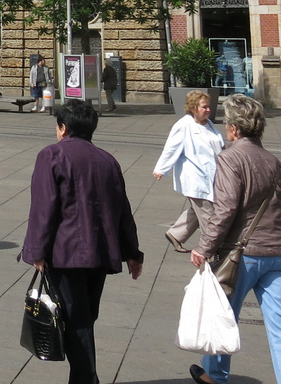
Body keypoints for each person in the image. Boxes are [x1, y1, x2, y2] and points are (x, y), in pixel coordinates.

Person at [189, 95, 281, 384]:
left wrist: (204, 247)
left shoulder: (230, 157)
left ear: (233, 129)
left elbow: (226, 207)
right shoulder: (273, 161)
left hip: (242, 254)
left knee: (223, 313)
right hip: (280, 253)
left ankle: (216, 375)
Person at [21, 99, 144, 384]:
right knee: (85, 318)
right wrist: (132, 253)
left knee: (77, 323)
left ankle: (86, 378)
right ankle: (84, 376)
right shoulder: (107, 160)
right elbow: (122, 209)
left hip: (65, 253)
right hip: (100, 253)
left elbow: (44, 207)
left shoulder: (51, 156)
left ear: (62, 128)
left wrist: (37, 251)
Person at [153, 89, 224, 253]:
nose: (208, 110)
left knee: (198, 210)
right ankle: (210, 250)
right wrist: (161, 169)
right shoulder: (184, 125)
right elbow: (171, 148)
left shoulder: (209, 124)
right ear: (193, 108)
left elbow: (219, 146)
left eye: (208, 107)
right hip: (195, 177)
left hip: (212, 176)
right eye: (204, 107)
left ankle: (175, 234)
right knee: (209, 214)